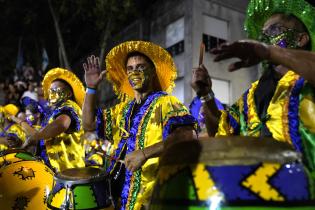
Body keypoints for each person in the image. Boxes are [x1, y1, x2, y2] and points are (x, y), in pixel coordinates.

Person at [192, 0, 315, 179]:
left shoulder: (307, 80)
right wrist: (205, 94)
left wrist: (268, 51)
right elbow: (220, 132)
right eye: (262, 35)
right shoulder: (251, 94)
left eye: (274, 31)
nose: (265, 39)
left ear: (301, 39)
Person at [82, 41, 197, 210]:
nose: (135, 71)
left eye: (141, 67)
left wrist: (145, 153)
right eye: (130, 68)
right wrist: (91, 88)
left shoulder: (166, 102)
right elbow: (88, 124)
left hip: (151, 198)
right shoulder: (121, 109)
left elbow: (188, 136)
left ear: (152, 71)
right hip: (116, 198)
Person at [22, 68, 86, 172]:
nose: (51, 93)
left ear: (69, 94)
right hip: (54, 171)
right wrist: (33, 141)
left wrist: (35, 133)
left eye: (55, 90)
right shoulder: (54, 112)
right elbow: (50, 137)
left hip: (66, 173)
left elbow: (62, 124)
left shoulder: (69, 106)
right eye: (50, 90)